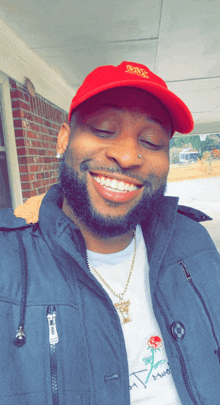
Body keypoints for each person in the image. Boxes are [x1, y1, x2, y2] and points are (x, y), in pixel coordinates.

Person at [1, 61, 220, 405]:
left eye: (152, 140)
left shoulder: (194, 241)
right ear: (63, 138)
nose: (128, 155)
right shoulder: (9, 264)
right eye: (103, 129)